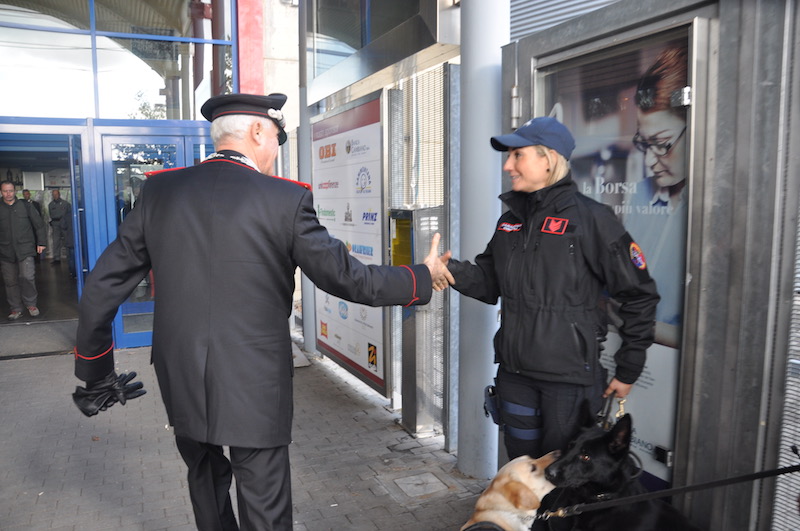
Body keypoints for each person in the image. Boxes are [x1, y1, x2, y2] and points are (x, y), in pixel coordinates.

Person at [71, 92, 454, 531]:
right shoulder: (284, 199)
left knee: (204, 479)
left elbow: (102, 286)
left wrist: (96, 374)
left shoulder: (160, 191)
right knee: (263, 500)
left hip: (180, 371)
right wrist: (420, 276)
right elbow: (348, 278)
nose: (275, 150)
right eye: (276, 138)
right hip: (254, 375)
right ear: (256, 131)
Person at [441, 117, 660, 460]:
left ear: (549, 159)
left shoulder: (592, 219)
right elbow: (488, 282)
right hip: (515, 377)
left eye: (518, 155)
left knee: (561, 475)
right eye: (509, 156)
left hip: (568, 383)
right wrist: (449, 270)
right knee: (522, 469)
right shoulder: (510, 221)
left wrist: (628, 368)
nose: (508, 165)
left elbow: (639, 294)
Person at [625, 45, 689, 337]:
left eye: (662, 144)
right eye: (644, 143)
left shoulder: (717, 205)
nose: (650, 161)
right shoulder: (639, 194)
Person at [0, 181, 47, 319]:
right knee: (10, 281)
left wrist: (41, 242)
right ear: (1, 192)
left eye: (10, 191)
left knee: (27, 277)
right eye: (5, 191)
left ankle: (31, 304)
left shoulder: (26, 206)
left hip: (25, 248)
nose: (8, 194)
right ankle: (16, 308)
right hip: (5, 250)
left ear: (15, 191)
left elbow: (39, 224)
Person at [48, 189, 72, 264]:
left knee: (67, 241)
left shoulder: (66, 204)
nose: (55, 196)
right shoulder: (51, 205)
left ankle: (70, 257)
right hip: (55, 224)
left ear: (59, 194)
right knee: (56, 241)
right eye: (53, 195)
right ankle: (56, 258)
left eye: (56, 194)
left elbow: (69, 215)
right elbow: (51, 215)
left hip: (65, 224)